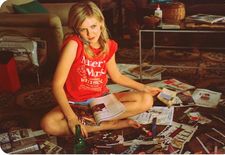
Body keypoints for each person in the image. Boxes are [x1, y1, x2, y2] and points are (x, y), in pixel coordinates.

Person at [40, 0, 161, 138]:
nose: (90, 33)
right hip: (75, 103)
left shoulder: (109, 45)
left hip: (101, 101)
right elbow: (57, 85)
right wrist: (72, 119)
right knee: (48, 124)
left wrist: (143, 88)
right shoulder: (73, 45)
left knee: (146, 100)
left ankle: (92, 122)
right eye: (83, 29)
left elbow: (117, 77)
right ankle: (111, 124)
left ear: (101, 23)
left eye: (93, 26)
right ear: (76, 29)